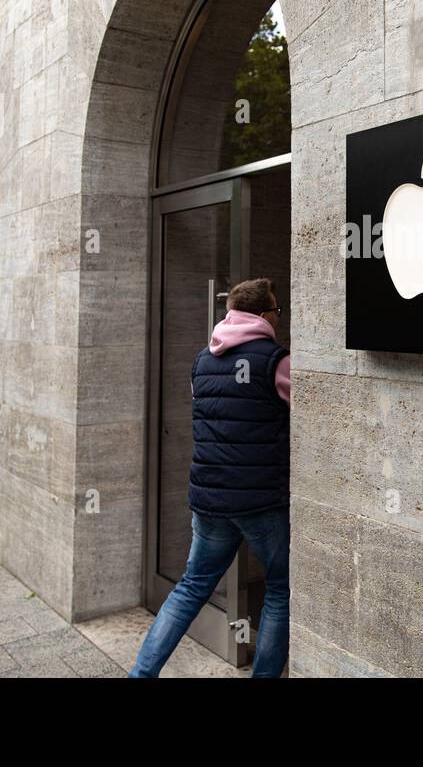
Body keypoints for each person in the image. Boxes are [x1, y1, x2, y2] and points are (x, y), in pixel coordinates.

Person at [131, 278, 291, 678]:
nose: (277, 318)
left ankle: (140, 675)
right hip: (260, 501)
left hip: (209, 499)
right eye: (276, 311)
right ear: (263, 314)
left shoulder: (202, 361)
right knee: (280, 589)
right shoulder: (275, 361)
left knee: (190, 587)